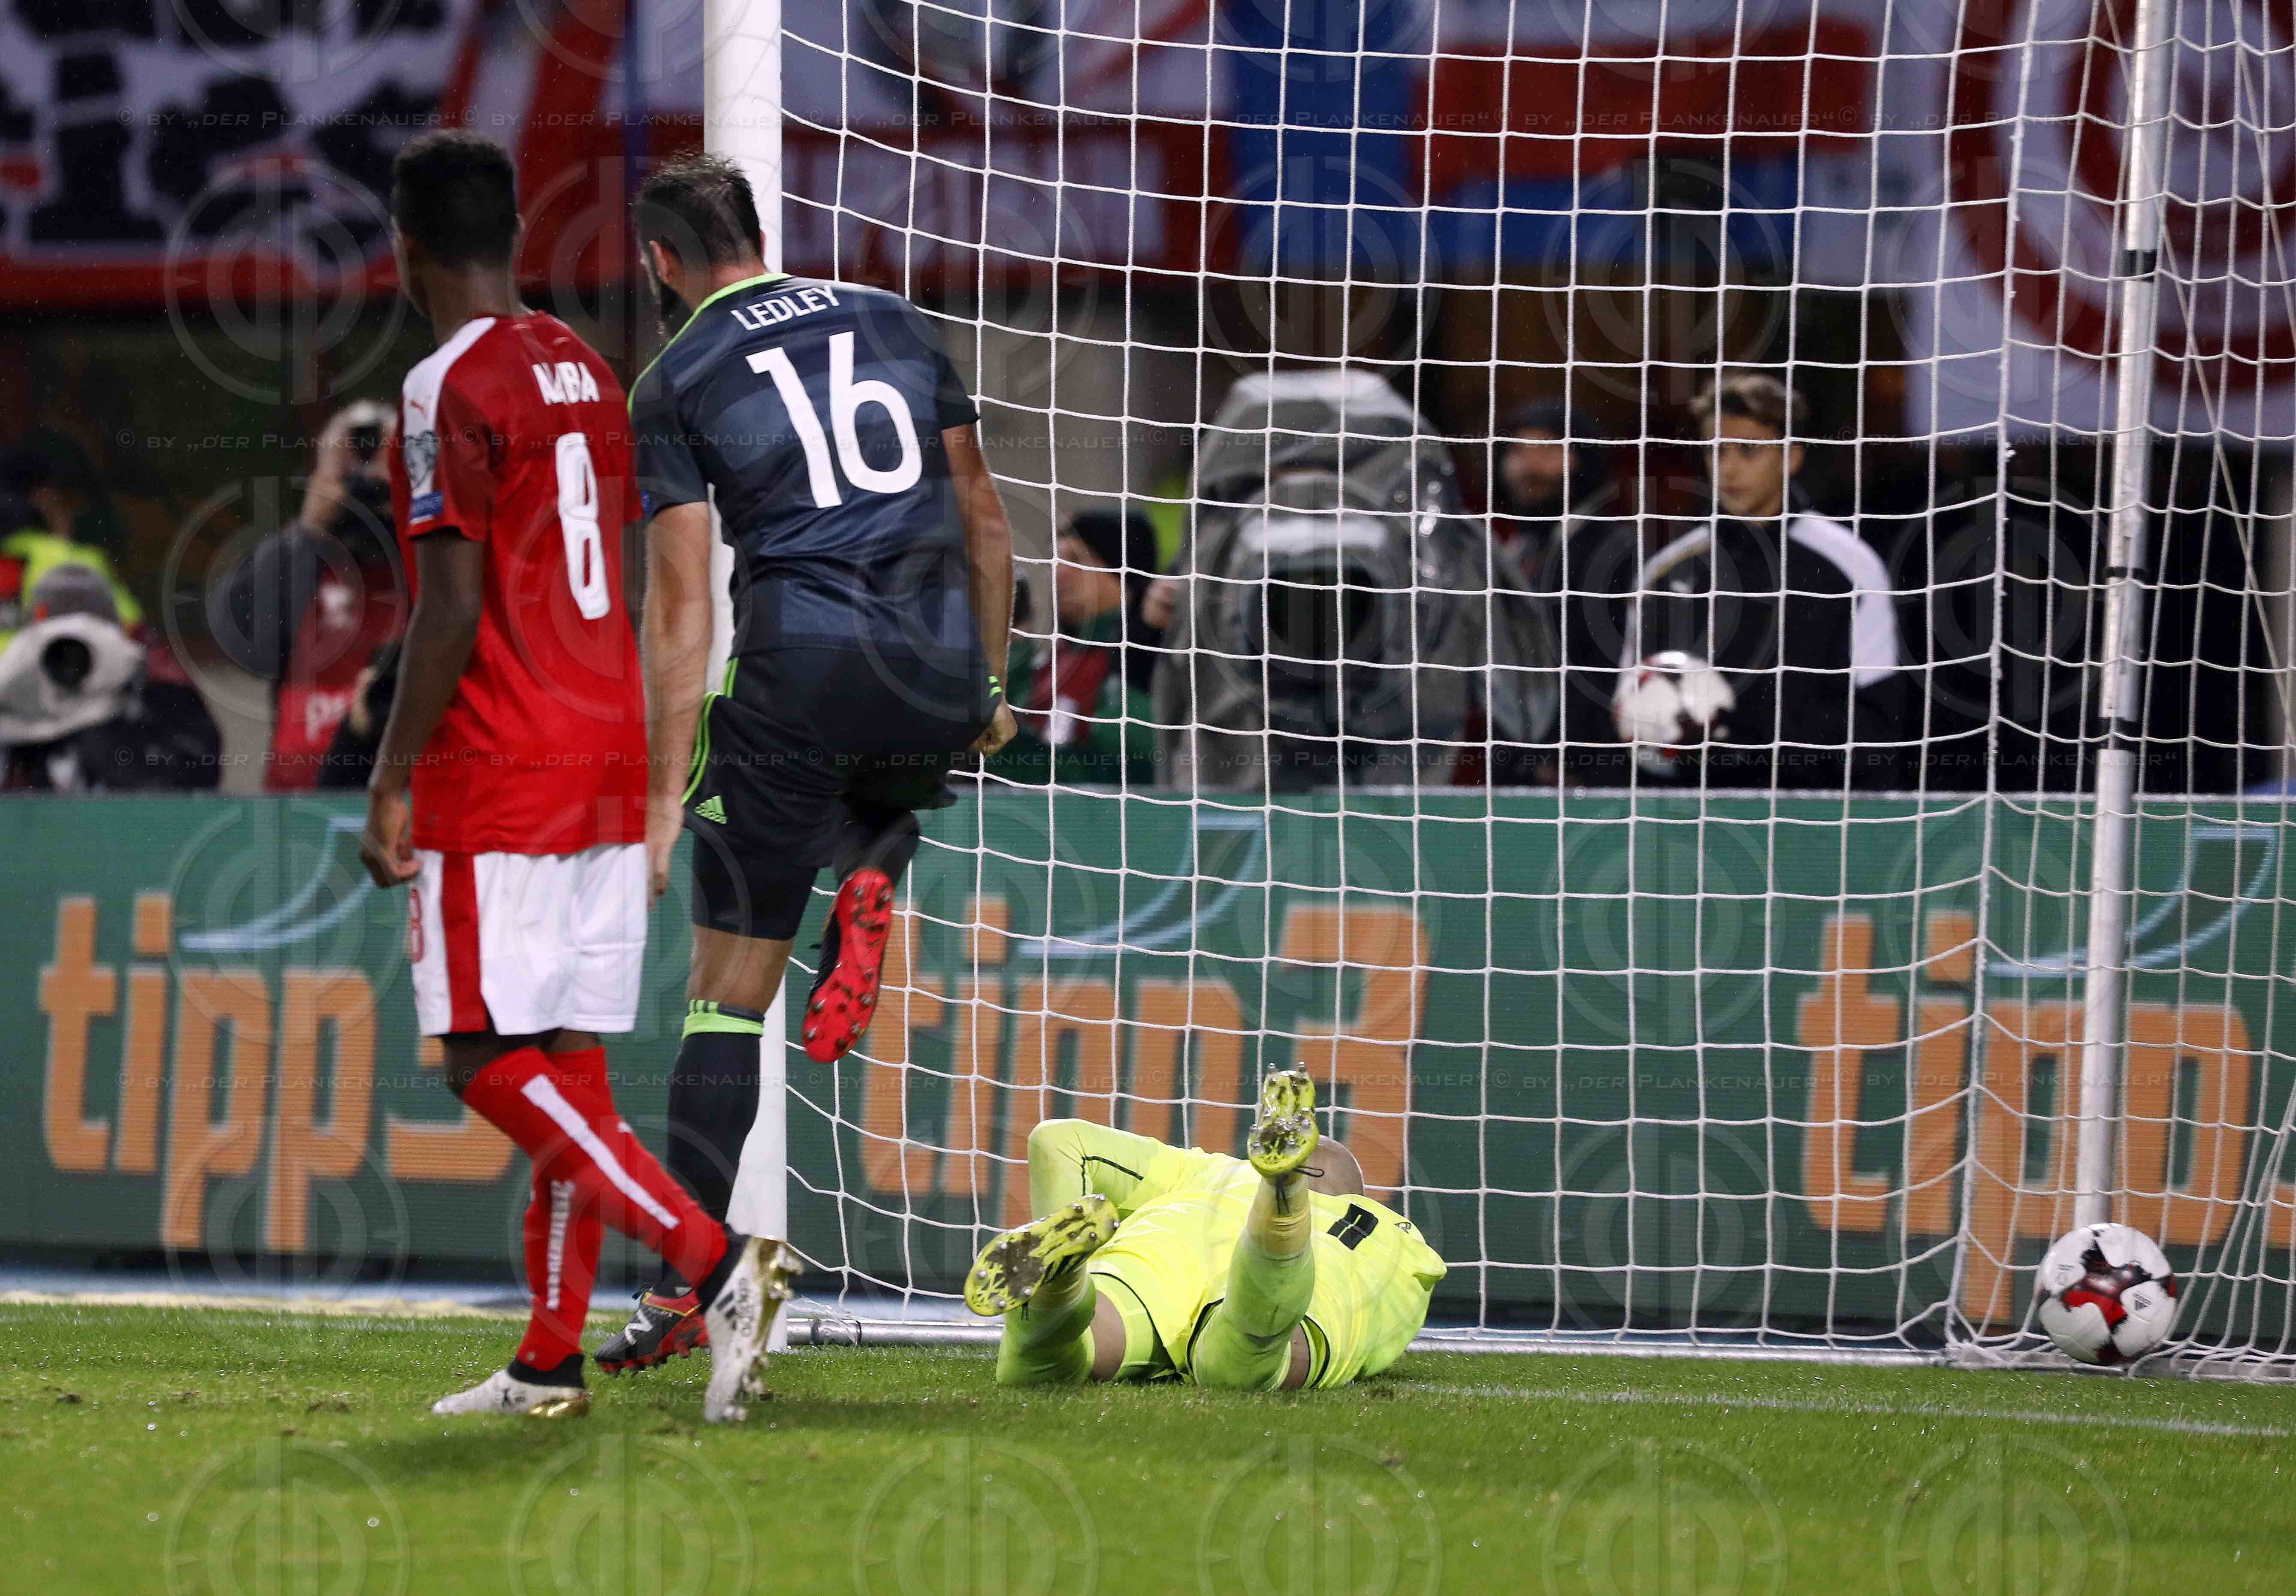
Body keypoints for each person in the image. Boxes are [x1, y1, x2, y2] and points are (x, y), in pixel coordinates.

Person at [353, 128, 792, 1424]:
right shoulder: (588, 368)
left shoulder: (445, 386)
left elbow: (446, 606)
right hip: (603, 751)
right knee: (565, 1064)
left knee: (483, 1058)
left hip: (502, 760)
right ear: (512, 241)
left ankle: (712, 1262)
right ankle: (549, 1364)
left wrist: (388, 780)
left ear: (408, 250)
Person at [597, 151, 1017, 1372]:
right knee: (888, 767)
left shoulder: (672, 377)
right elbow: (982, 512)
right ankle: (878, 865)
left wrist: (662, 796)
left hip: (801, 664)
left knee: (724, 998)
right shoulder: (892, 315)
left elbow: (681, 610)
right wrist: (988, 687)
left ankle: (688, 1287)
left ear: (661, 263)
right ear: (760, 233)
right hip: (931, 665)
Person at [964, 1070, 1446, 1390]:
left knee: (1049, 1365)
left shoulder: (1210, 1173)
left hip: (1167, 1252)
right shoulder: (1386, 1230)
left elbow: (1059, 1143)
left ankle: (1062, 1286)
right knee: (1245, 1356)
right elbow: (1403, 1301)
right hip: (1295, 1279)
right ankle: (1283, 1204)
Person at [1616, 370, 1907, 790]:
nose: (1728, 467)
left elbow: (1880, 716)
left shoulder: (1851, 566)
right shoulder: (1665, 571)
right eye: (1717, 452)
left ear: (1790, 457)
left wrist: (1752, 738)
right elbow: (1631, 704)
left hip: (1817, 818)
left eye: (1748, 450)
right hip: (1693, 817)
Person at [208, 402, 408, 790]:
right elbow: (243, 646)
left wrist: (416, 515)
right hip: (298, 793)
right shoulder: (303, 566)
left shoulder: (427, 567)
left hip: (399, 791)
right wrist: (307, 530)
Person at [988, 505, 1161, 786]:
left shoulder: (1144, 659)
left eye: (1077, 559)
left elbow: (1112, 771)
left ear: (1124, 572)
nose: (1058, 573)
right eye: (1056, 559)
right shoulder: (1049, 661)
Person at [0, 444, 145, 650]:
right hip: (44, 679)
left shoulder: (20, 554)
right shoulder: (70, 560)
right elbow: (131, 628)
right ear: (44, 498)